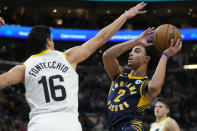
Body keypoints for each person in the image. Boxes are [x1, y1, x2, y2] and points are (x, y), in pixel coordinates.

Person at [0, 2, 147, 131]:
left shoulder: (24, 68)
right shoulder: (68, 57)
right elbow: (101, 37)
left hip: (41, 124)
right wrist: (125, 16)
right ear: (49, 41)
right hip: (69, 124)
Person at [102, 27, 182, 130]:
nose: (131, 53)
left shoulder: (145, 84)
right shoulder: (118, 75)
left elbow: (155, 86)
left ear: (146, 58)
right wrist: (135, 41)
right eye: (131, 51)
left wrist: (165, 56)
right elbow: (107, 56)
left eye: (137, 51)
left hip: (132, 127)